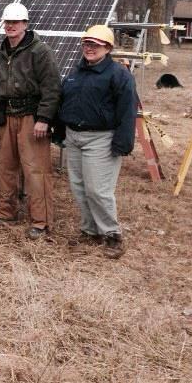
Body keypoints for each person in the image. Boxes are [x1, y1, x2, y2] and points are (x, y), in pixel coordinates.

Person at [57, 25, 136, 259]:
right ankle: (90, 230)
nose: (89, 48)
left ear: (108, 48)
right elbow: (64, 102)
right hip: (74, 136)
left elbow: (127, 111)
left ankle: (112, 235)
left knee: (98, 190)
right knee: (79, 187)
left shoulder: (118, 75)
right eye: (86, 43)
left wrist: (123, 143)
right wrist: (59, 131)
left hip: (101, 139)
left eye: (95, 45)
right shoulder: (76, 72)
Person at [0, 2, 61, 239]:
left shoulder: (40, 51)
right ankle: (4, 211)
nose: (11, 26)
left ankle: (41, 221)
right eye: (7, 22)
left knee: (36, 169)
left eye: (15, 22)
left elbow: (52, 86)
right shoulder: (0, 53)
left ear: (25, 24)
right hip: (6, 116)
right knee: (4, 167)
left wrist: (44, 118)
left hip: (31, 116)